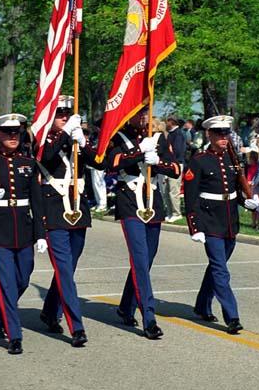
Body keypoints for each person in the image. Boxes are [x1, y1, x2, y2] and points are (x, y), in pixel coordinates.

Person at [0, 113, 46, 355]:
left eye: (16, 132)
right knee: (6, 284)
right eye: (7, 132)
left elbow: (37, 201)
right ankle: (14, 335)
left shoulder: (28, 162)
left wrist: (41, 234)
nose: (13, 136)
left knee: (23, 278)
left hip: (24, 229)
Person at [106, 106, 180, 340]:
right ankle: (149, 318)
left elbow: (176, 169)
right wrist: (139, 152)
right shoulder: (117, 136)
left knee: (146, 259)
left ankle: (126, 306)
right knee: (139, 257)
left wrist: (157, 162)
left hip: (153, 201)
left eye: (146, 112)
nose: (143, 117)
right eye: (138, 112)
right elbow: (111, 163)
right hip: (129, 199)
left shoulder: (159, 138)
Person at [36, 95, 104, 348]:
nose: (64, 117)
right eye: (60, 113)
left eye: (67, 113)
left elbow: (99, 162)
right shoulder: (42, 138)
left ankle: (49, 310)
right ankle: (76, 326)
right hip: (53, 210)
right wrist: (65, 132)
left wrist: (84, 142)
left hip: (77, 208)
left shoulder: (75, 137)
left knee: (68, 268)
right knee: (64, 269)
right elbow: (45, 157)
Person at [184, 115, 258, 335]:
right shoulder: (199, 159)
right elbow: (191, 196)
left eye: (226, 133)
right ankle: (232, 316)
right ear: (210, 134)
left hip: (229, 220)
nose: (224, 138)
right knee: (220, 270)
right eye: (219, 134)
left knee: (217, 266)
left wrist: (247, 202)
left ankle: (202, 305)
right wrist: (194, 227)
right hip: (209, 221)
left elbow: (233, 190)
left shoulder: (232, 158)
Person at [163, 114, 185, 222]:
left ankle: (177, 213)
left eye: (167, 121)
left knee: (173, 190)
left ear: (172, 122)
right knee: (167, 190)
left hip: (176, 164)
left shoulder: (178, 134)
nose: (166, 123)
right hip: (169, 164)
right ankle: (170, 212)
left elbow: (178, 151)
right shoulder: (171, 134)